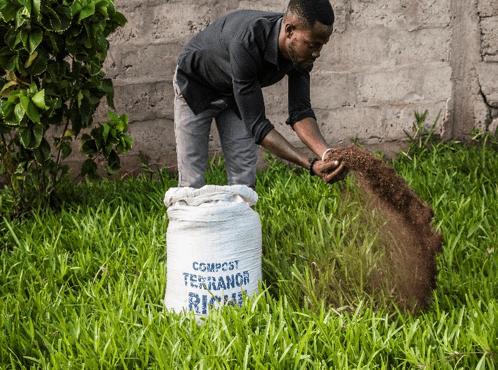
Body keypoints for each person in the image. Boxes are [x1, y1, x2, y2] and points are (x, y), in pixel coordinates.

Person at [173, 0, 348, 190]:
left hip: (234, 95)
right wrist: (310, 164)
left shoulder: (302, 55)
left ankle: (241, 219)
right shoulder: (247, 42)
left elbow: (300, 112)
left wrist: (327, 154)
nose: (317, 53)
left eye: (322, 45)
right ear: (289, 30)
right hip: (196, 86)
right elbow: (258, 126)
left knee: (244, 180)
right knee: (192, 180)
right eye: (313, 44)